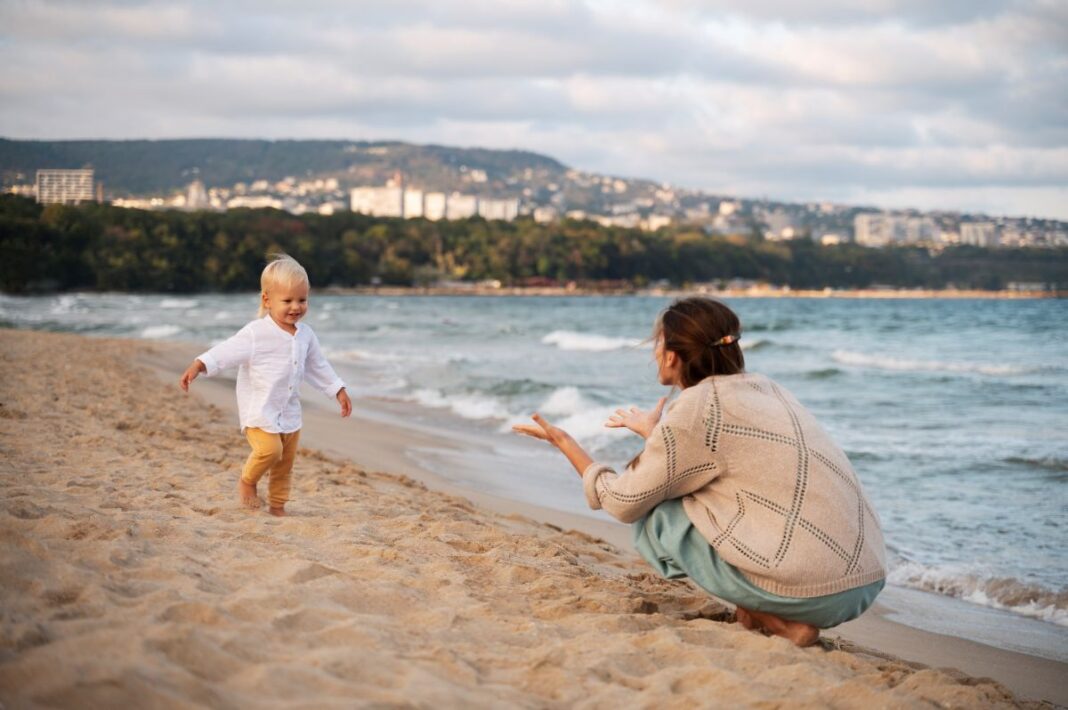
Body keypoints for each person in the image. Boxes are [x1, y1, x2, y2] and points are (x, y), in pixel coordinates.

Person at [513, 297, 886, 646]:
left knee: (659, 515)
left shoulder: (696, 409)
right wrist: (656, 435)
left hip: (811, 592)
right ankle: (751, 614)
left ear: (673, 356)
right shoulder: (768, 389)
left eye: (657, 344)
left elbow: (624, 502)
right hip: (863, 581)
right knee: (711, 495)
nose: (654, 353)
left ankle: (781, 624)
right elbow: (729, 463)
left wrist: (564, 442)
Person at [180, 254, 352, 517]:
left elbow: (318, 366)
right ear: (267, 300)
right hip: (259, 413)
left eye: (302, 300)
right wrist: (200, 364)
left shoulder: (306, 335)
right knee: (270, 451)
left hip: (290, 415)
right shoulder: (256, 333)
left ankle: (278, 506)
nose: (296, 307)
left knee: (285, 464)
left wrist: (338, 390)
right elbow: (227, 351)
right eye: (288, 300)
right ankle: (247, 481)